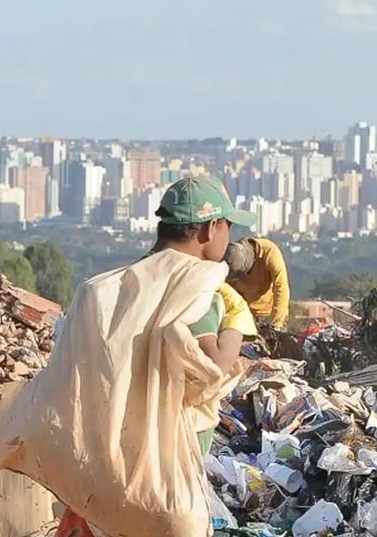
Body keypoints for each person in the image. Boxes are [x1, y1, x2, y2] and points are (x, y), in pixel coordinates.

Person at [56, 175, 257, 537]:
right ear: (211, 229)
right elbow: (212, 366)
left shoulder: (111, 287)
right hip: (166, 470)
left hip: (106, 461)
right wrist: (236, 322)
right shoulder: (195, 288)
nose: (230, 236)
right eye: (229, 225)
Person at [224, 237, 291, 330]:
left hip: (270, 313)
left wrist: (276, 323)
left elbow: (281, 287)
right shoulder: (229, 258)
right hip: (245, 314)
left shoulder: (270, 252)